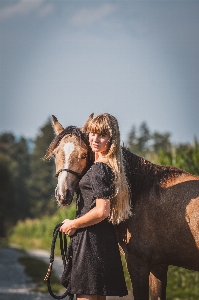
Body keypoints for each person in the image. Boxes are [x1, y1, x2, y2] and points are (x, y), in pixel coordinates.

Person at [60, 113, 131, 300]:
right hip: (102, 241)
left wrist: (73, 224)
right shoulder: (109, 165)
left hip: (90, 242)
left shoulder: (100, 168)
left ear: (112, 139)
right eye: (92, 133)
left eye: (102, 135)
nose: (95, 139)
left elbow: (102, 210)